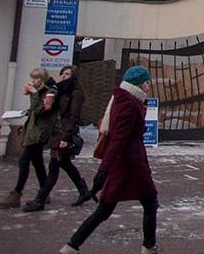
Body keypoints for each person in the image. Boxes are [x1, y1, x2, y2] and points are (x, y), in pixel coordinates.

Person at [61, 66, 159, 254]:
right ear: (139, 84)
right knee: (148, 203)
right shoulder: (130, 105)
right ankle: (148, 246)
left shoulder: (123, 100)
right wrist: (103, 171)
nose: (148, 86)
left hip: (124, 163)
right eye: (147, 82)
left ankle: (72, 246)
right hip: (131, 164)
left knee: (107, 209)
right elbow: (118, 139)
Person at [22, 65, 91, 211]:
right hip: (56, 133)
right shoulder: (59, 91)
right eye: (63, 74)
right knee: (65, 164)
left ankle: (40, 200)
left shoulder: (76, 93)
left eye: (67, 74)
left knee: (53, 167)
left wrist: (66, 137)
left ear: (73, 77)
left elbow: (73, 117)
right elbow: (47, 109)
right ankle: (84, 191)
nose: (64, 76)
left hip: (63, 134)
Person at [0, 68, 56, 208]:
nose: (33, 81)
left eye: (36, 78)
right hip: (33, 131)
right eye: (32, 78)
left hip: (39, 134)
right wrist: (23, 113)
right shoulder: (40, 92)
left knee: (24, 161)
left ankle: (16, 194)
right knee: (37, 162)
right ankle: (44, 193)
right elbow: (35, 110)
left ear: (42, 79)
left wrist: (33, 93)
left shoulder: (50, 92)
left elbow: (40, 110)